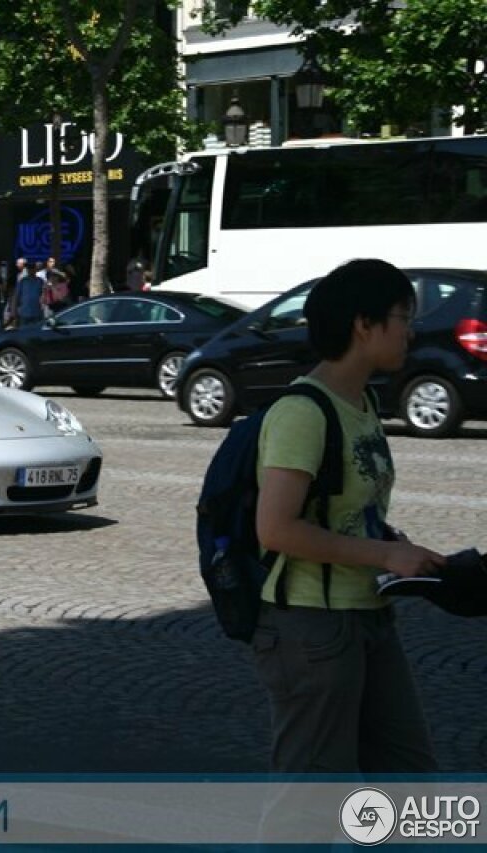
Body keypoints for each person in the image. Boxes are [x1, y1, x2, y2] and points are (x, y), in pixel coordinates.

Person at [254, 258, 443, 775]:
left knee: (411, 778)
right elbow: (275, 528)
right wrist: (385, 553)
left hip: (369, 614)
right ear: (364, 324)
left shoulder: (362, 402)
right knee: (310, 799)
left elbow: (349, 511)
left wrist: (407, 553)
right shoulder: (303, 412)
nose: (411, 330)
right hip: (313, 628)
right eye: (403, 316)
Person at [7, 261, 45, 329]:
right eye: (29, 269)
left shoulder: (40, 281)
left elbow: (44, 294)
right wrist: (13, 311)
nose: (30, 270)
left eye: (32, 268)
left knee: (37, 333)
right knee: (23, 333)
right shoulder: (22, 281)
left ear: (35, 269)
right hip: (24, 312)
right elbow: (16, 296)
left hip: (37, 312)